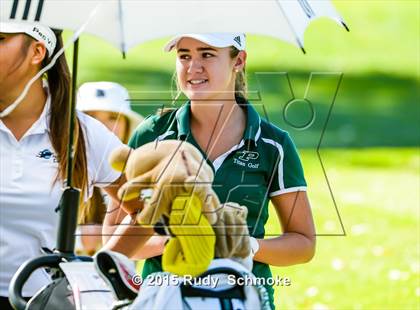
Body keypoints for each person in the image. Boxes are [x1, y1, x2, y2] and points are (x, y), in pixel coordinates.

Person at [103, 33, 316, 309]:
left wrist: (246, 245)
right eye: (184, 56)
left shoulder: (274, 144)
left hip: (242, 300)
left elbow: (303, 244)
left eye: (207, 54)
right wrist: (180, 241)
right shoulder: (153, 133)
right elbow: (113, 235)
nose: (193, 67)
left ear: (238, 60)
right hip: (165, 300)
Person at [0, 22, 126, 309]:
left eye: (1, 38)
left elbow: (148, 209)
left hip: (47, 302)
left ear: (37, 52)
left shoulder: (85, 134)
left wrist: (100, 267)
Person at [76, 82, 143, 255]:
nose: (101, 126)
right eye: (91, 117)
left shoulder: (136, 174)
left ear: (127, 125)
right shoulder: (58, 167)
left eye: (113, 118)